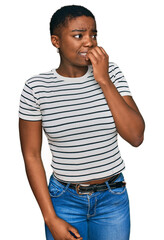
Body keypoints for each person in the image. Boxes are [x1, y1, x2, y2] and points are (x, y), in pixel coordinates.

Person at [19, 5, 145, 240]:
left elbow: (136, 136)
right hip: (64, 201)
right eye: (79, 35)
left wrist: (104, 80)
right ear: (56, 41)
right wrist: (50, 217)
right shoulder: (36, 88)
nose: (89, 42)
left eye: (93, 35)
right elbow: (32, 155)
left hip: (112, 199)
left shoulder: (112, 74)